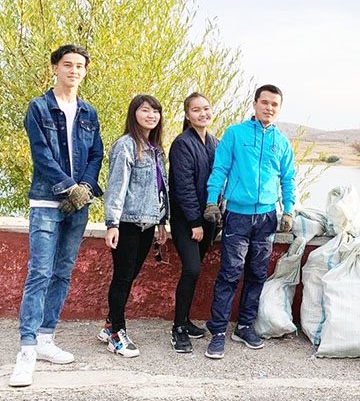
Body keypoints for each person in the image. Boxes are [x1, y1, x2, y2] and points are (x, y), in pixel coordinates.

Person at [9, 45, 104, 388]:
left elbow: (97, 153)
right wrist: (67, 187)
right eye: (68, 65)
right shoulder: (38, 107)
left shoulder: (88, 112)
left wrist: (85, 188)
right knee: (40, 272)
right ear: (54, 68)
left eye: (80, 66)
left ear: (85, 71)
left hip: (79, 203)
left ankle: (47, 337)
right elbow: (41, 155)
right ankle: (27, 349)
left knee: (62, 273)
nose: (74, 70)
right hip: (47, 202)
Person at [203, 84, 296, 359]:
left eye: (274, 104)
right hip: (237, 215)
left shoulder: (282, 142)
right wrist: (212, 201)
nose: (269, 108)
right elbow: (220, 169)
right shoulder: (235, 134)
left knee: (257, 273)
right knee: (230, 273)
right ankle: (218, 331)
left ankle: (244, 326)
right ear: (255, 104)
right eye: (264, 102)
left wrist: (288, 210)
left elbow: (288, 179)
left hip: (267, 216)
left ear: (278, 109)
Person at [99, 94, 169, 358]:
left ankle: (109, 325)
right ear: (134, 114)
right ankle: (117, 333)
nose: (151, 115)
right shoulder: (125, 146)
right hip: (127, 223)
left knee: (129, 277)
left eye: (155, 112)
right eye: (145, 110)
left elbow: (161, 189)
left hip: (148, 223)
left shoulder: (156, 149)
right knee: (122, 278)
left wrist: (162, 221)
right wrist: (112, 223)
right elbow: (116, 187)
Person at [168, 92, 219, 353]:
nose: (203, 114)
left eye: (206, 109)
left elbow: (220, 179)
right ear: (187, 115)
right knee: (191, 269)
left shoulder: (214, 142)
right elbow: (184, 187)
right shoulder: (182, 144)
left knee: (195, 269)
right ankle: (178, 327)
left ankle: (186, 320)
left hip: (208, 220)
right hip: (186, 221)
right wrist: (194, 222)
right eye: (196, 110)